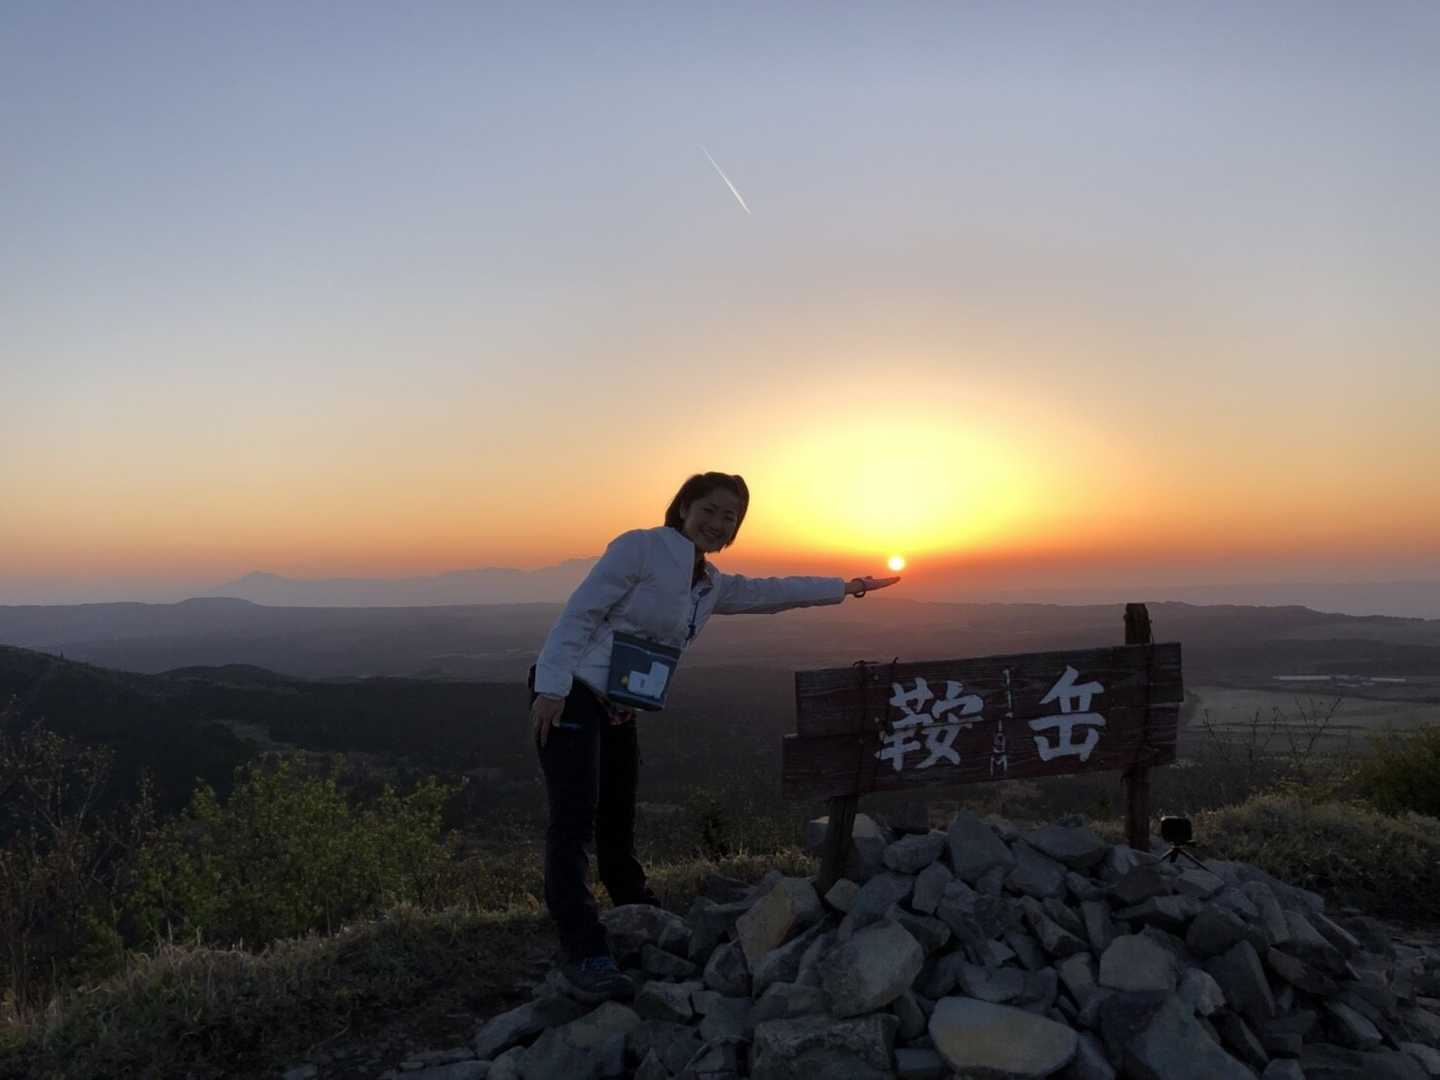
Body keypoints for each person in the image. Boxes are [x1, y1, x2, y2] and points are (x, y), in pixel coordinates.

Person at [528, 471, 899, 1003]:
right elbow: (580, 613)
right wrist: (551, 687)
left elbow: (772, 594)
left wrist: (845, 587)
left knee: (617, 812)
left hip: (618, 705)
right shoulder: (639, 548)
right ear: (683, 507)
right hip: (572, 693)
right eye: (710, 509)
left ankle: (638, 911)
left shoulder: (710, 583)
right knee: (573, 818)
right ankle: (583, 947)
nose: (718, 522)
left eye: (731, 516)